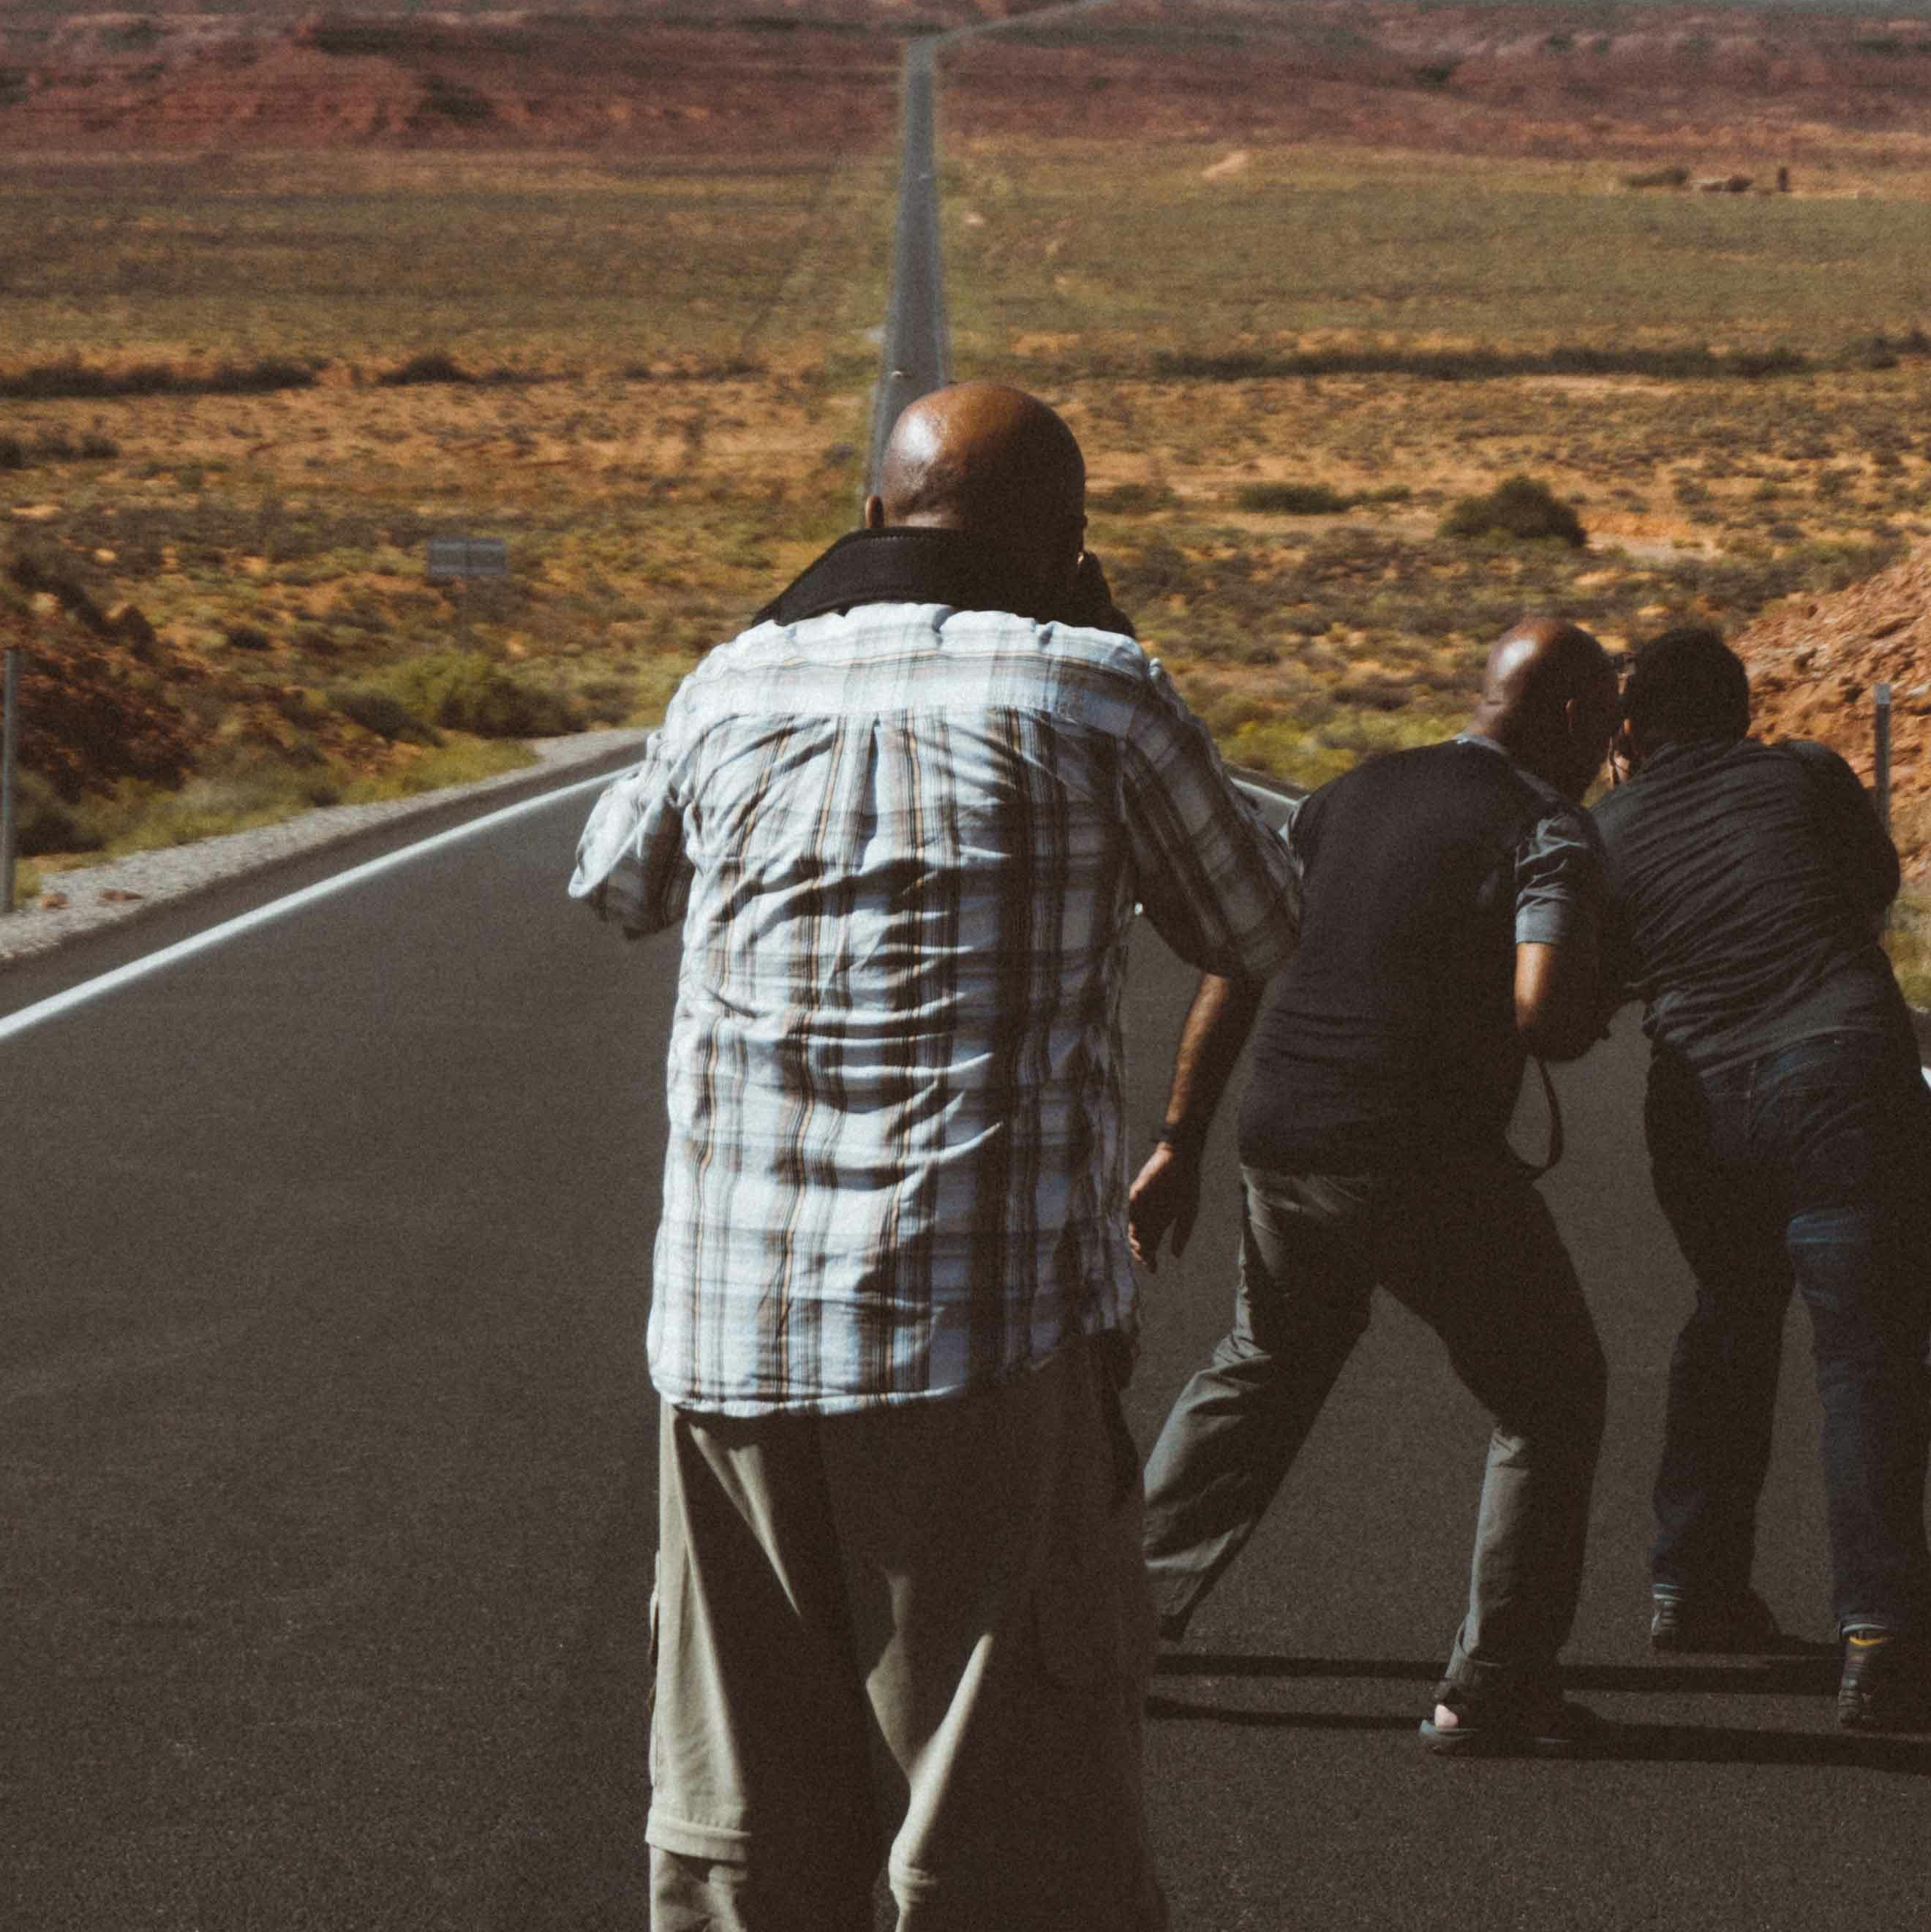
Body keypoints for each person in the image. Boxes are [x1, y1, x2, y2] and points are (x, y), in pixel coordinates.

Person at [571, 381, 1303, 1932]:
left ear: (872, 509)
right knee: (1002, 1837)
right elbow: (1256, 918)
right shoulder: (1098, 687)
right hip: (974, 1343)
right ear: (1070, 544)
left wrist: (791, 620)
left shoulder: (731, 683)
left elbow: (615, 879)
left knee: (746, 1834)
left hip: (726, 1347)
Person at [1127, 617, 1624, 1759]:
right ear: (1562, 718)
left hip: (1280, 1136)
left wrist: (1177, 1140)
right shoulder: (1548, 827)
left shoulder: (1345, 796)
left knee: (1263, 1367)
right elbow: (1545, 1016)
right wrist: (1600, 990)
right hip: (1416, 1155)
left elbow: (1237, 961)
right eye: (1602, 722)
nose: (1608, 749)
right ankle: (1495, 1690)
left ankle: (1118, 1629)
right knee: (1552, 1397)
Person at [1589, 624, 1931, 1731]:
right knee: (1869, 1355)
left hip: (1699, 1099)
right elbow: (1875, 884)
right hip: (1844, 1070)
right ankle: (1884, 1638)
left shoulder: (1602, 829)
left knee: (1730, 1314)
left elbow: (1603, 973)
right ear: (1741, 713)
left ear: (1629, 731)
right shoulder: (1802, 771)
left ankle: (1693, 1585)